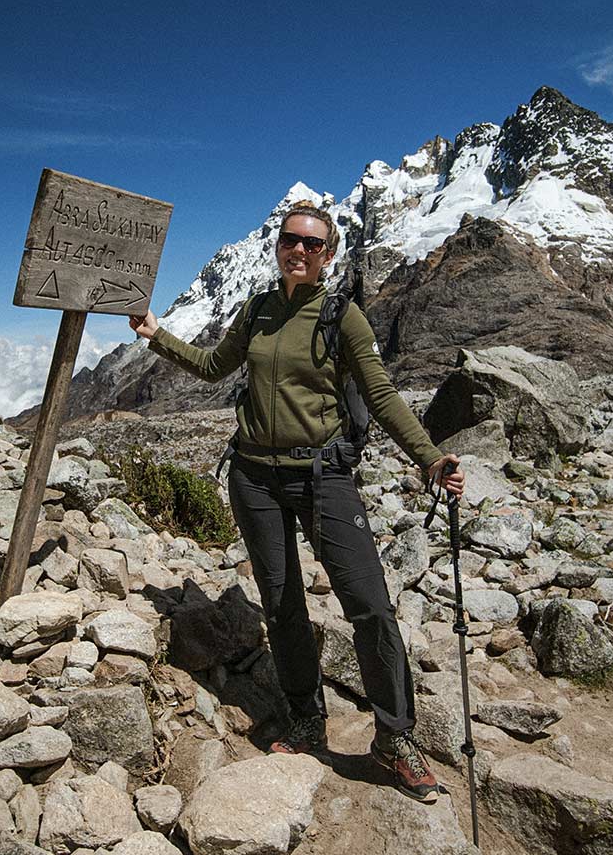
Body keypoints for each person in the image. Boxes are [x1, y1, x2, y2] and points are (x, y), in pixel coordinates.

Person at [130, 200, 465, 803]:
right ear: (279, 245)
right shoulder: (257, 309)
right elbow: (213, 366)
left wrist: (430, 457)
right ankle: (307, 719)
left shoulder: (344, 317)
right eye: (292, 240)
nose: (301, 251)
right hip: (254, 478)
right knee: (281, 604)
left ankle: (394, 735)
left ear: (330, 254)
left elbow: (382, 396)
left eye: (314, 244)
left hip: (324, 478)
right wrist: (158, 337)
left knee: (369, 605)